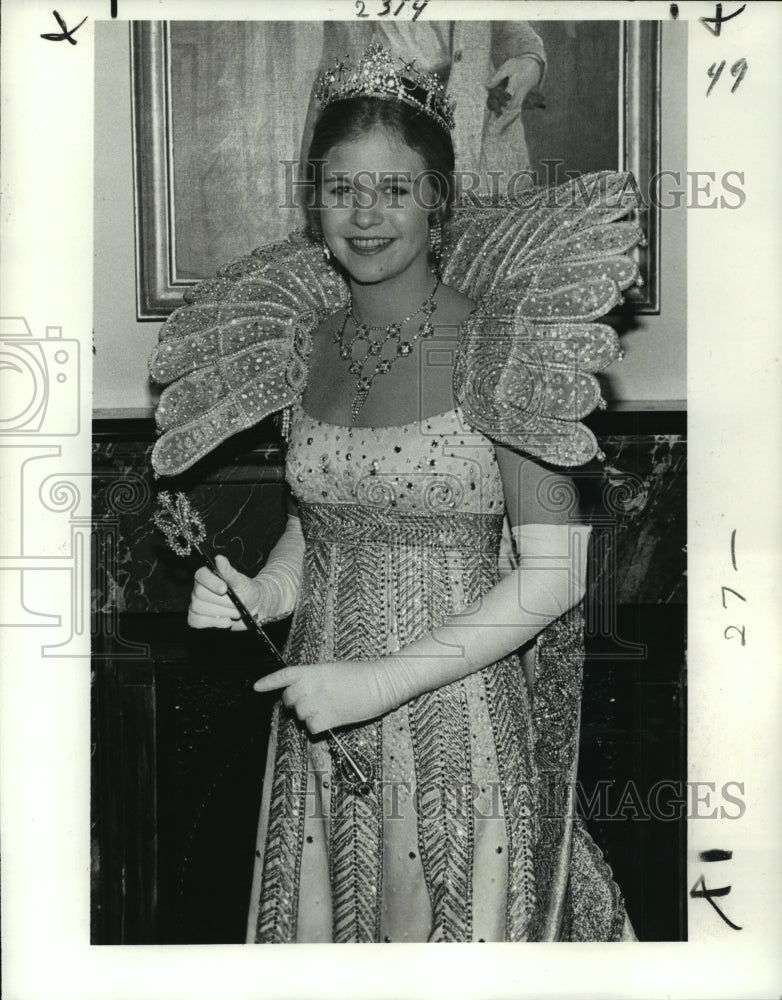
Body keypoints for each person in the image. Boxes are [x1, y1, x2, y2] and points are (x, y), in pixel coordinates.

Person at [149, 44, 643, 943]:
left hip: (458, 728)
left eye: (395, 188)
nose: (365, 214)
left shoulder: (505, 339)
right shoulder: (306, 343)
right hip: (320, 720)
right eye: (341, 189)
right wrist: (261, 593)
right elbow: (323, 532)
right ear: (316, 201)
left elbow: (558, 573)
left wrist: (377, 683)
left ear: (438, 199)